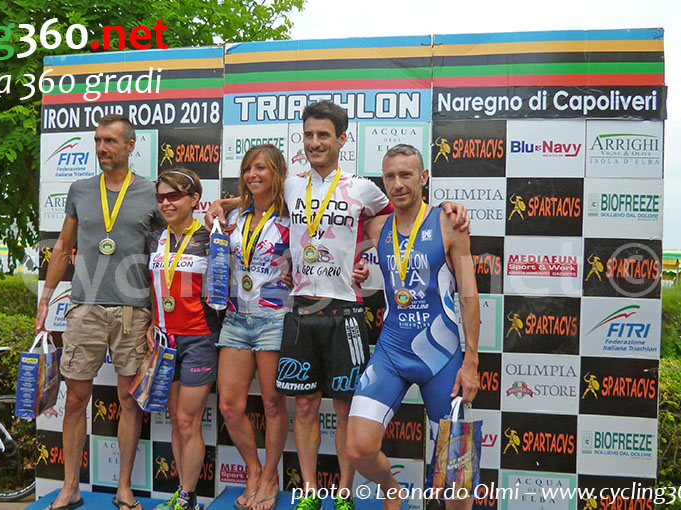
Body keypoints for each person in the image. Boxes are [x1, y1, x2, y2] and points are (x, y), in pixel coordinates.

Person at [207, 101, 470, 510]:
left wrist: (448, 208)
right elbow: (252, 196)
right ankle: (311, 492)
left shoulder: (363, 188)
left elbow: (407, 217)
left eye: (324, 135)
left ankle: (345, 493)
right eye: (309, 135)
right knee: (305, 406)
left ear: (342, 139)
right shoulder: (290, 186)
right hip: (301, 309)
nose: (315, 142)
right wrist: (220, 205)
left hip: (346, 309)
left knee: (349, 410)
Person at [36, 114, 162, 510]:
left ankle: (124, 488)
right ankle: (70, 487)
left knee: (129, 400)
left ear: (130, 145)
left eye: (110, 141)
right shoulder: (80, 189)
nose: (102, 148)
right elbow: (62, 247)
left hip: (133, 310)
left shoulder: (152, 192)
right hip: (84, 307)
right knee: (75, 400)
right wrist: (45, 300)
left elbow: (165, 254)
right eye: (97, 141)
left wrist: (159, 315)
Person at [347, 145, 480, 510]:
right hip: (392, 351)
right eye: (390, 176)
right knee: (358, 447)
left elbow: (469, 294)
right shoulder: (376, 227)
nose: (398, 184)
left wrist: (471, 361)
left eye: (406, 175)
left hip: (442, 357)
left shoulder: (449, 223)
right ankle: (393, 490)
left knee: (457, 472)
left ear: (423, 178)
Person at [216, 145, 291, 510]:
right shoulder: (235, 218)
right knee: (230, 406)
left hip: (273, 318)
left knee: (273, 404)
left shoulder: (294, 217)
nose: (252, 175)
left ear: (277, 173)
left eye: (261, 168)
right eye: (247, 169)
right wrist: (223, 204)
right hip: (235, 318)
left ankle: (271, 475)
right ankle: (254, 469)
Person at [149, 168, 221, 510]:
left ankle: (188, 497)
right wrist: (151, 322)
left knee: (188, 420)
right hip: (165, 341)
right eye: (161, 197)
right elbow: (151, 286)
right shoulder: (155, 239)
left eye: (174, 196)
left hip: (199, 338)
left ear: (194, 200)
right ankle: (182, 492)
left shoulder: (210, 238)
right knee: (176, 422)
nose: (166, 203)